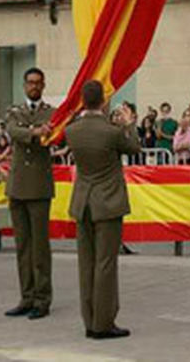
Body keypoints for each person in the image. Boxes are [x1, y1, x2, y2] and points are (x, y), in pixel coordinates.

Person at [64, 79, 140, 340]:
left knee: (86, 264)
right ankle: (103, 322)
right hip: (107, 202)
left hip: (82, 201)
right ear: (104, 101)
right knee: (105, 264)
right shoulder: (111, 131)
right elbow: (134, 147)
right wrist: (129, 123)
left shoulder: (72, 130)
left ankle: (89, 319)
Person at [4, 67, 55, 321]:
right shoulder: (15, 111)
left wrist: (42, 132)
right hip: (17, 186)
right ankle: (26, 296)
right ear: (24, 85)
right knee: (22, 246)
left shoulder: (51, 113)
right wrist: (35, 132)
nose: (34, 86)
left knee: (39, 247)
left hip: (39, 185)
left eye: (38, 83)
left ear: (43, 86)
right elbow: (13, 131)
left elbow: (55, 136)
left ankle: (42, 298)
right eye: (30, 82)